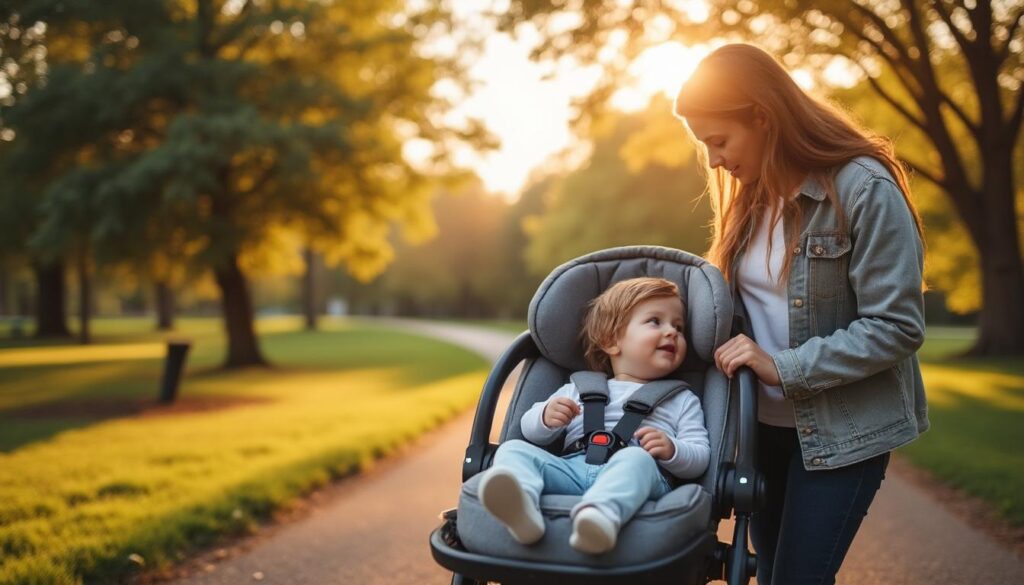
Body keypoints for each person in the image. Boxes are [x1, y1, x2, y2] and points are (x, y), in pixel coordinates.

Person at [673, 43, 929, 584]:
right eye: (706, 147)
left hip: (842, 435)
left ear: (763, 117)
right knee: (768, 577)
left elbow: (897, 327)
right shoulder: (748, 197)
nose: (714, 160)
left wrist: (781, 366)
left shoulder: (865, 189)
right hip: (758, 430)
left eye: (720, 141)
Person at [476, 277, 711, 555]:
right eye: (655, 321)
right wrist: (546, 418)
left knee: (635, 458)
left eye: (679, 326)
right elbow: (529, 431)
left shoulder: (682, 399)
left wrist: (672, 450)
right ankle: (521, 507)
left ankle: (600, 517)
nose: (672, 332)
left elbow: (700, 458)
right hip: (573, 468)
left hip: (639, 476)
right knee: (514, 449)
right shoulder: (579, 388)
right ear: (612, 341)